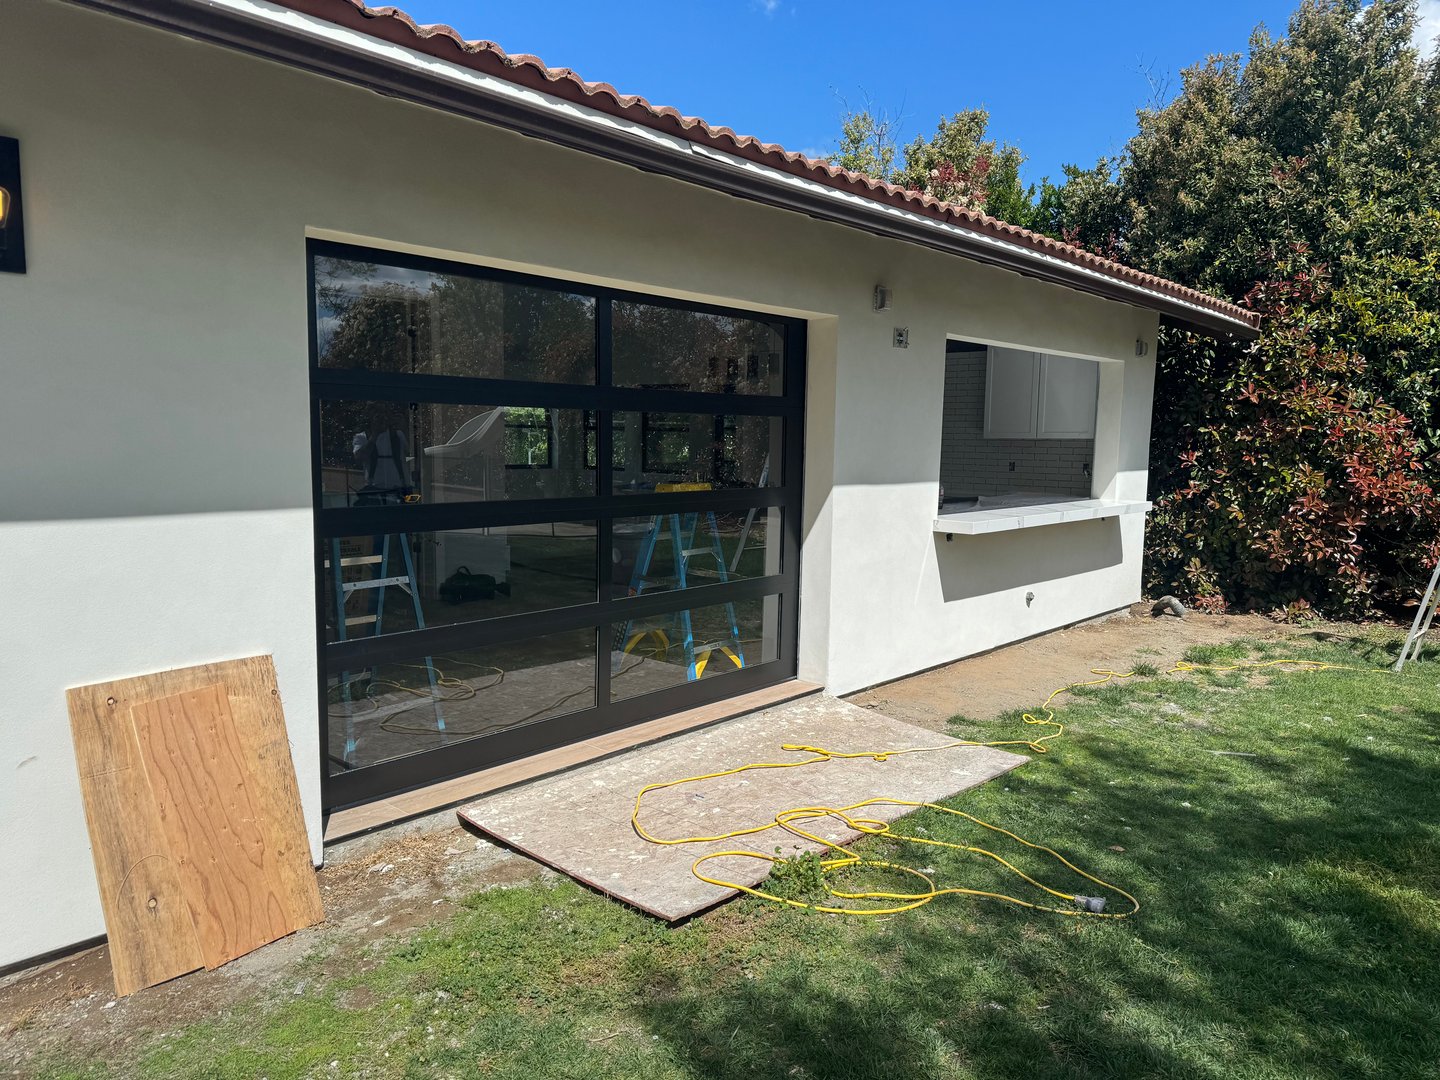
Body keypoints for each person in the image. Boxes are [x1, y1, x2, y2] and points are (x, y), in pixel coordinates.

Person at [352, 411, 413, 505]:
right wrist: (374, 435)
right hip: (374, 493)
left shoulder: (398, 435)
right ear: (370, 419)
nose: (382, 421)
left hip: (399, 491)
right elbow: (359, 458)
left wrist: (405, 428)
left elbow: (414, 452)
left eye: (384, 417)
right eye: (378, 418)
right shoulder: (361, 437)